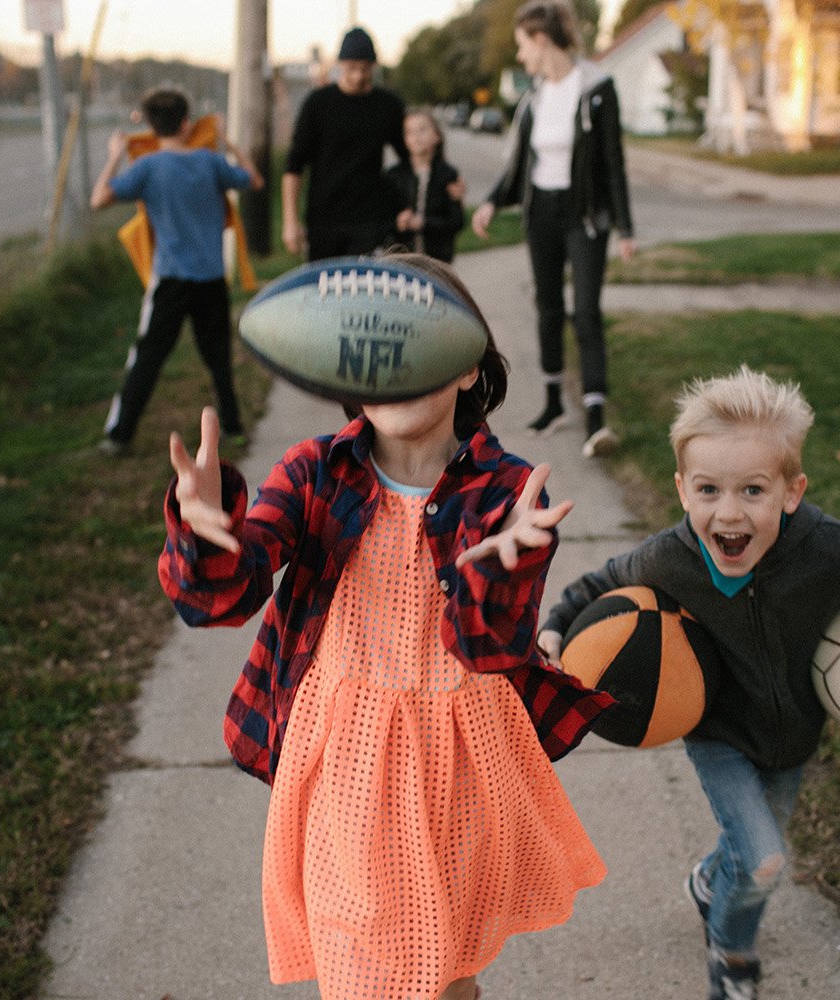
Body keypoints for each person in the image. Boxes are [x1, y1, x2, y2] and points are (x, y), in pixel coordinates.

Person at [158, 253, 612, 1000]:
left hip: (463, 755)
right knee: (363, 970)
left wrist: (498, 571)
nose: (397, 368)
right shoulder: (314, 471)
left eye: (420, 345)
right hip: (347, 758)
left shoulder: (507, 491)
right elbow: (226, 593)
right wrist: (208, 535)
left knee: (446, 969)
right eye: (380, 351)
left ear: (468, 367)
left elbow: (488, 645)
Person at [536, 366, 840, 1000]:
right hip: (719, 730)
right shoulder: (668, 558)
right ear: (681, 490)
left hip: (793, 739)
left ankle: (710, 882)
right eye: (708, 490)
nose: (728, 512)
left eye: (753, 490)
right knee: (762, 859)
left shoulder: (831, 551)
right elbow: (595, 587)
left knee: (747, 853)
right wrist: (556, 630)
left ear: (791, 492)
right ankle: (732, 959)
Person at [471, 0, 636, 459]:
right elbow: (519, 163)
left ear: (542, 41)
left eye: (524, 45)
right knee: (547, 305)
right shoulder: (536, 97)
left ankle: (596, 419)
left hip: (583, 213)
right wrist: (490, 202)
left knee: (585, 312)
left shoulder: (597, 88)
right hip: (540, 210)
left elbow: (613, 162)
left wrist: (624, 226)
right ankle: (551, 403)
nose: (521, 56)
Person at [90, 87, 263, 454]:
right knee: (219, 359)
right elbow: (254, 179)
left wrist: (115, 155)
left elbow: (98, 199)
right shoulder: (209, 162)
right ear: (187, 123)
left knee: (147, 356)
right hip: (211, 280)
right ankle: (233, 428)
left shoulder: (147, 167)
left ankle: (119, 436)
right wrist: (228, 141)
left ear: (152, 128)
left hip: (169, 281)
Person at [282, 27, 409, 261]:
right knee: (327, 291)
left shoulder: (388, 106)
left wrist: (446, 178)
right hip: (324, 218)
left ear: (374, 66)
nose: (358, 76)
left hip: (370, 219)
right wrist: (290, 221)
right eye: (352, 68)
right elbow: (294, 167)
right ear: (339, 64)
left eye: (365, 69)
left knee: (365, 289)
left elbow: (411, 156)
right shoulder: (318, 104)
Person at [385, 108, 464, 263]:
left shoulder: (447, 175)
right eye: (410, 132)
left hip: (438, 260)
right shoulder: (394, 175)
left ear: (436, 137)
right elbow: (381, 218)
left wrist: (424, 223)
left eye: (422, 129)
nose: (416, 136)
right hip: (402, 259)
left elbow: (456, 221)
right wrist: (398, 222)